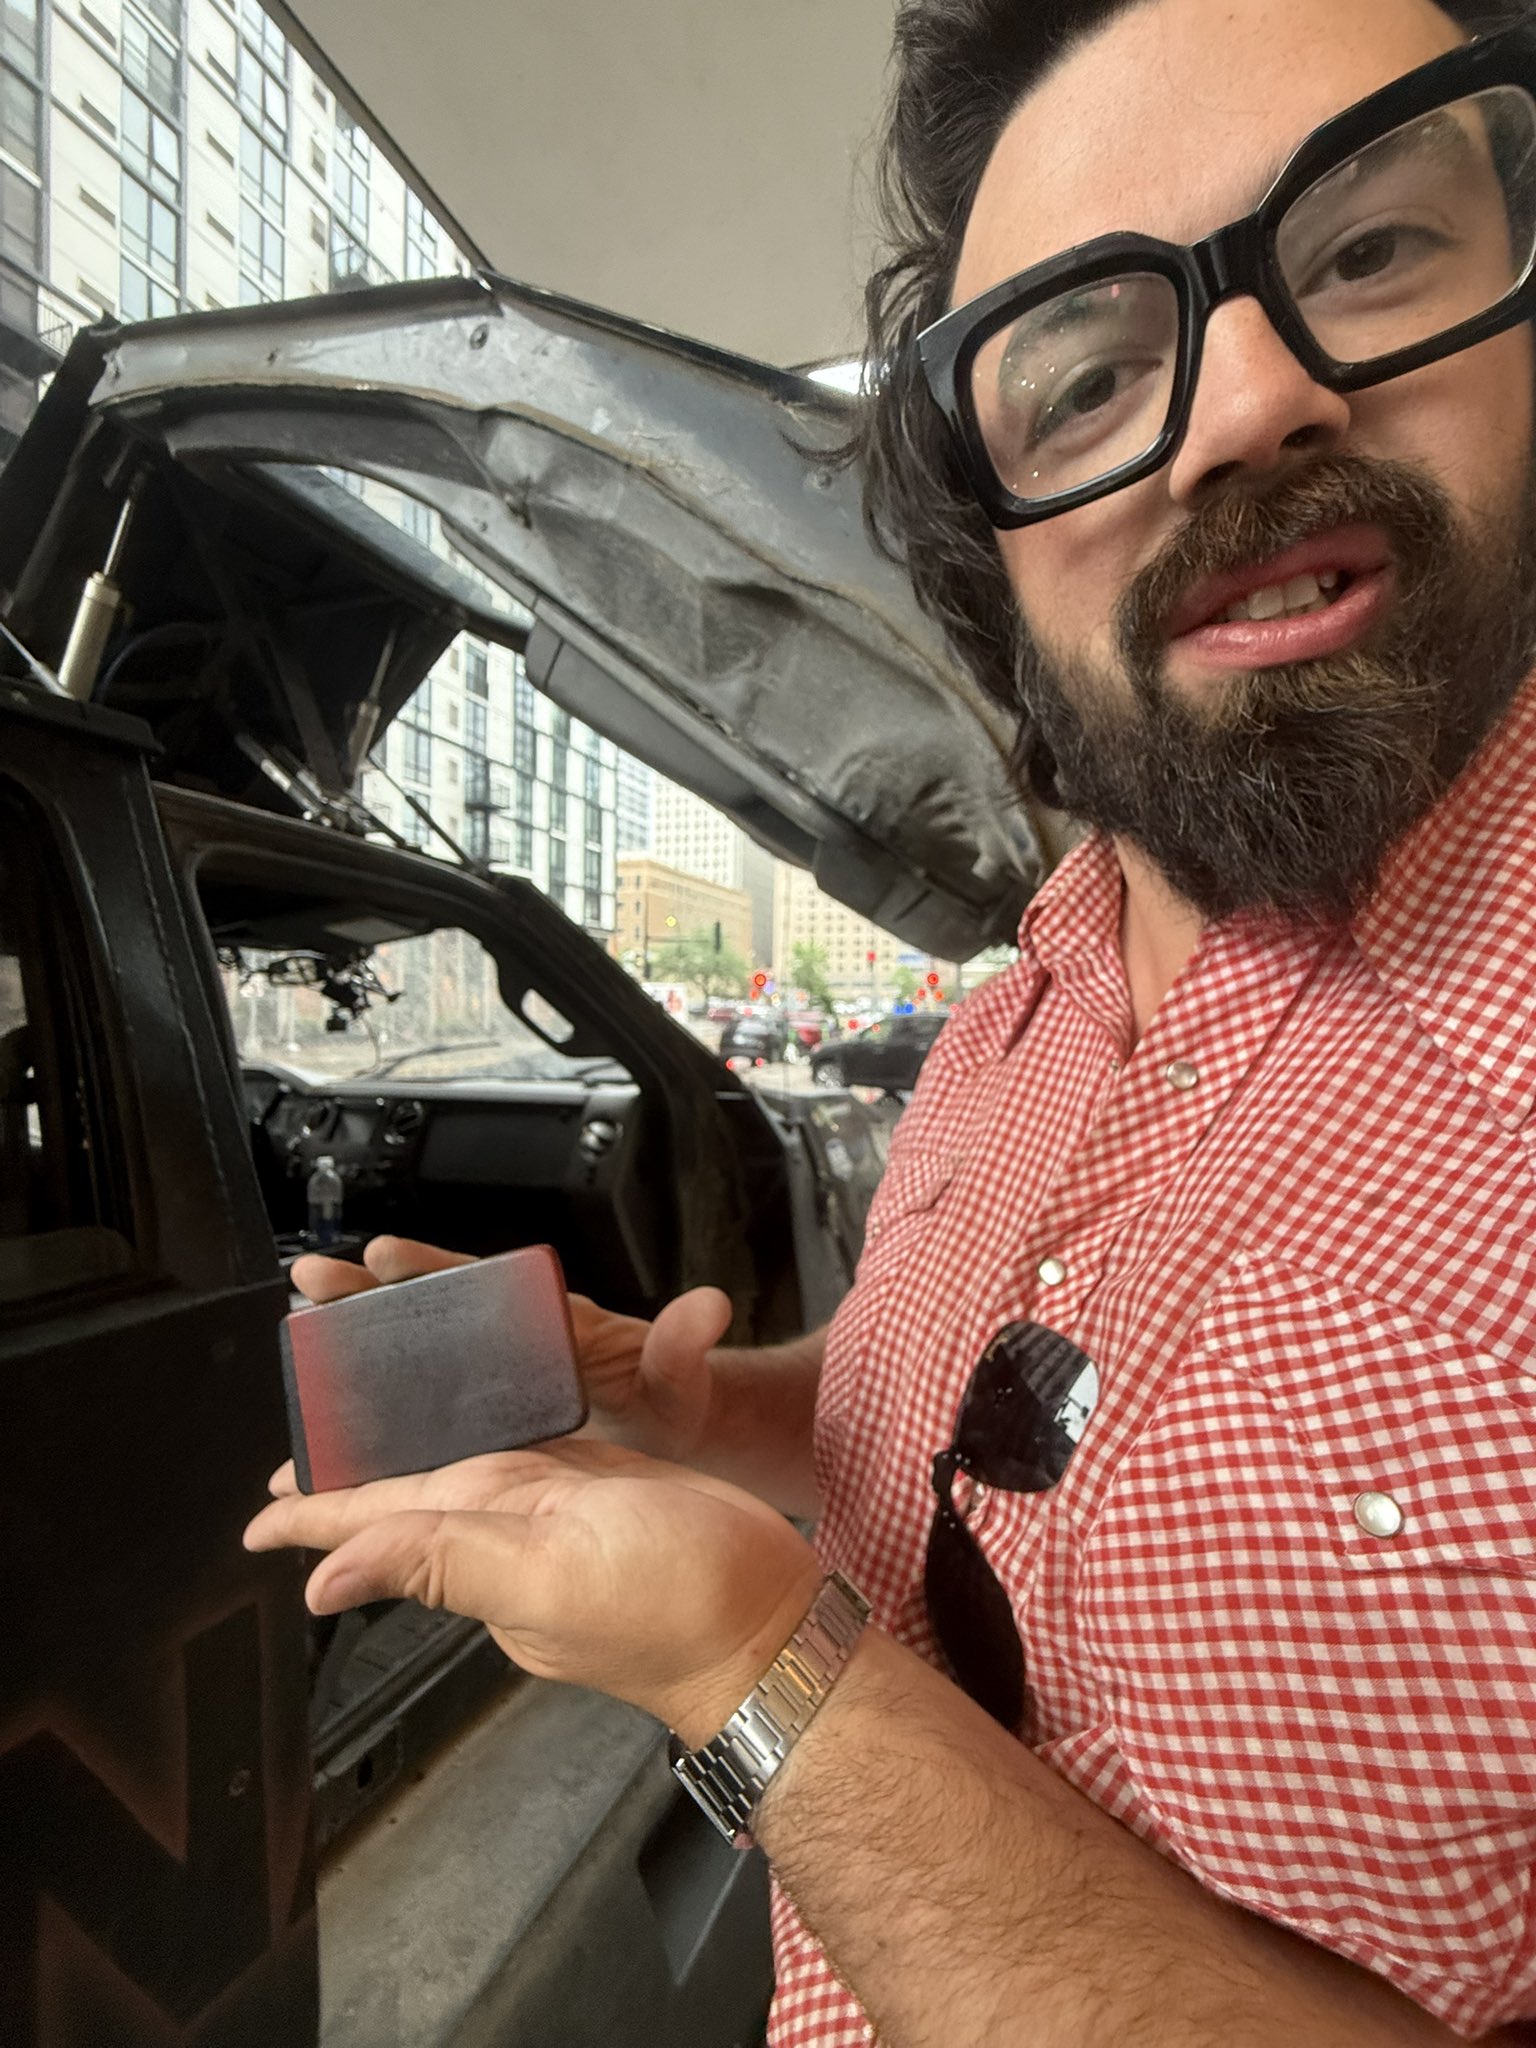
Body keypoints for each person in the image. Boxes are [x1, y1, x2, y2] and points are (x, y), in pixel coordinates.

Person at [245, 0, 1536, 2036]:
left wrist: (740, 1663)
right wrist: (704, 1411)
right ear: (993, 560)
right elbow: (940, 1401)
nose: (1247, 402)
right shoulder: (1013, 1017)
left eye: (1371, 249)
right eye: (1089, 376)